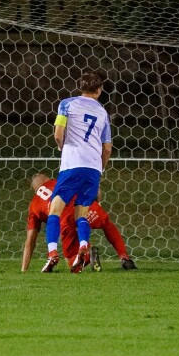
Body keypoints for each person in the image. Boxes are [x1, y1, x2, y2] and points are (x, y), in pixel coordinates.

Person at [41, 70, 113, 273]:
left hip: (72, 164)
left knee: (55, 209)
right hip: (93, 168)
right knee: (81, 213)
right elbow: (107, 147)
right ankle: (83, 246)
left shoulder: (66, 104)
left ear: (80, 87)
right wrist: (100, 169)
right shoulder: (102, 113)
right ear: (99, 91)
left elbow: (58, 133)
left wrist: (61, 145)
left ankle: (52, 253)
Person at [22, 173, 136, 273]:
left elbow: (30, 241)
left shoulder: (33, 205)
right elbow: (92, 188)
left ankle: (86, 256)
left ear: (35, 190)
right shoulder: (59, 182)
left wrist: (24, 269)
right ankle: (124, 257)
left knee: (71, 261)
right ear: (48, 179)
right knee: (106, 223)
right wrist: (98, 202)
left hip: (64, 220)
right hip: (82, 205)